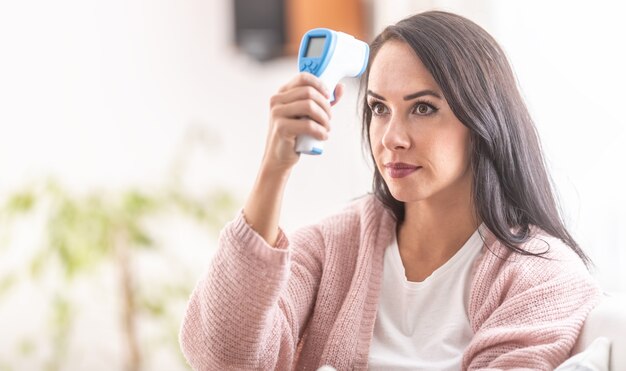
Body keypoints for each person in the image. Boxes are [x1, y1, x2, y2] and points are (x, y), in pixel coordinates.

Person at [179, 11, 601, 370]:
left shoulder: (544, 279)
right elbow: (222, 358)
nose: (392, 138)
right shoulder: (334, 247)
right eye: (379, 108)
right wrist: (273, 171)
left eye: (423, 108)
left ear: (483, 121)